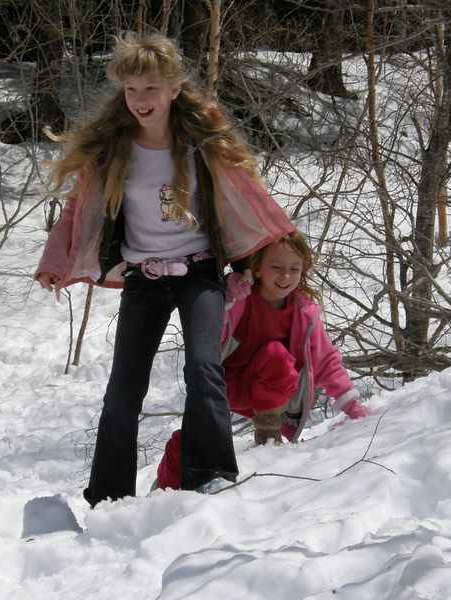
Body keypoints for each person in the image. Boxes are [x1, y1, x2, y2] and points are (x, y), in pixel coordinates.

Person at [34, 32, 295, 507]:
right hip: (144, 280)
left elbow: (246, 194)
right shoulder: (115, 149)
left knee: (203, 366)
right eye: (131, 90)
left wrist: (274, 249)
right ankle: (109, 496)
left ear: (174, 89)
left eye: (150, 89)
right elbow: (78, 210)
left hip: (200, 273)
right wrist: (55, 262)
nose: (140, 101)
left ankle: (212, 474)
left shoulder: (201, 142)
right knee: (123, 389)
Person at [156, 230, 371, 491]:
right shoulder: (239, 298)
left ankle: (268, 434)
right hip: (222, 386)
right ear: (257, 268)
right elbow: (211, 336)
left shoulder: (303, 312)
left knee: (277, 354)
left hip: (270, 390)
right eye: (276, 267)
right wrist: (224, 302)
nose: (285, 276)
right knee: (188, 442)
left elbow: (325, 359)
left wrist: (350, 403)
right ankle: (164, 489)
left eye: (294, 269)